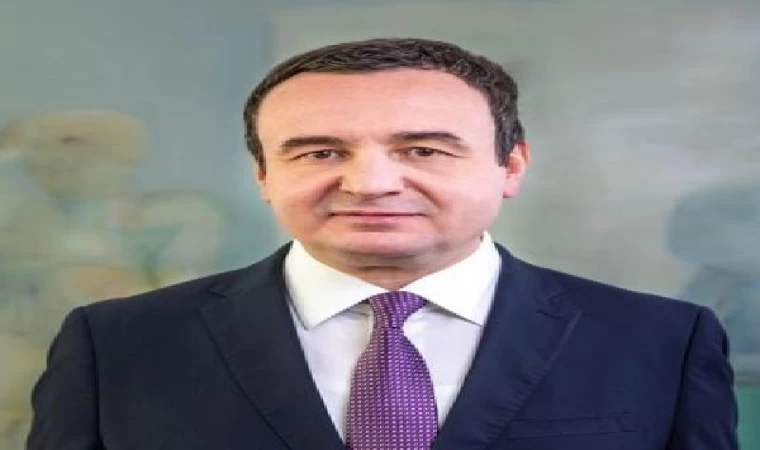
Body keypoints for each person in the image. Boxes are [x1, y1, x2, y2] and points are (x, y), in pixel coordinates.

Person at [27, 38, 737, 450]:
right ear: (264, 174)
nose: (369, 183)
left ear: (511, 165)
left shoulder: (661, 341)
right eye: (319, 152)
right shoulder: (116, 344)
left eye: (423, 149)